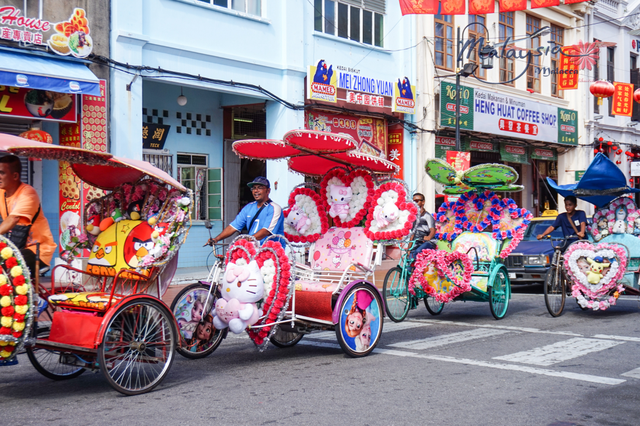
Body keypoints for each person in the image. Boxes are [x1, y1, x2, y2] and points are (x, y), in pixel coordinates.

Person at [0, 155, 56, 276]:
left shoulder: (28, 193)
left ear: (15, 176)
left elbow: (13, 219)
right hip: (17, 246)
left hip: (38, 250)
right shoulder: (2, 192)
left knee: (6, 267)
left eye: (2, 173)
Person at [207, 176, 284, 246]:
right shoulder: (248, 207)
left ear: (268, 191)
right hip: (252, 250)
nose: (256, 191)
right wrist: (216, 239)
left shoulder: (274, 208)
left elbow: (266, 231)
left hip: (272, 251)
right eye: (254, 188)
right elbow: (233, 227)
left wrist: (246, 239)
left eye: (260, 188)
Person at [410, 192, 436, 260]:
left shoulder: (427, 216)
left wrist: (429, 237)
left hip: (427, 242)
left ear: (423, 202)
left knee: (418, 252)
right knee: (410, 258)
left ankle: (418, 269)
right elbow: (412, 233)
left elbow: (432, 229)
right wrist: (408, 249)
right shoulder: (413, 217)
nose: (414, 203)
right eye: (413, 201)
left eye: (417, 201)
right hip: (416, 241)